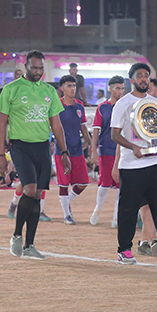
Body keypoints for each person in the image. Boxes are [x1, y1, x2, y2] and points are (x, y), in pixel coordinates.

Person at [0, 51, 70, 260]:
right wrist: (1, 154)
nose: (38, 71)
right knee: (29, 189)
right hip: (20, 146)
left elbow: (56, 125)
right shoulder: (11, 89)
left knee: (37, 194)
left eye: (41, 68)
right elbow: (2, 124)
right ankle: (17, 235)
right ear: (26, 66)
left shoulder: (49, 91)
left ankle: (30, 245)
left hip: (42, 147)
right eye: (34, 68)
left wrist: (64, 151)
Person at [110, 63, 157, 265]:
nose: (143, 79)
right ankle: (124, 250)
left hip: (154, 161)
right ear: (132, 80)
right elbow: (114, 135)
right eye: (139, 75)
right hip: (131, 165)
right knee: (128, 209)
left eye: (146, 75)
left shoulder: (155, 103)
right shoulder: (123, 103)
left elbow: (156, 132)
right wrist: (133, 147)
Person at [89, 76, 125, 227]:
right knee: (105, 182)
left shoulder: (126, 106)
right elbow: (96, 130)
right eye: (117, 88)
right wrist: (94, 150)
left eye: (122, 88)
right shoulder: (102, 107)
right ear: (110, 89)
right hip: (106, 149)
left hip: (122, 150)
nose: (120, 91)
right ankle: (98, 208)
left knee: (120, 185)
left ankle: (116, 217)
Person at [53, 75, 90, 225]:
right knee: (63, 184)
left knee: (83, 182)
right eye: (69, 85)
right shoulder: (56, 105)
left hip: (77, 150)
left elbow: (83, 126)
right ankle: (67, 215)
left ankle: (66, 202)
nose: (73, 88)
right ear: (62, 88)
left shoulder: (80, 105)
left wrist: (89, 143)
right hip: (62, 151)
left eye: (74, 85)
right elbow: (54, 128)